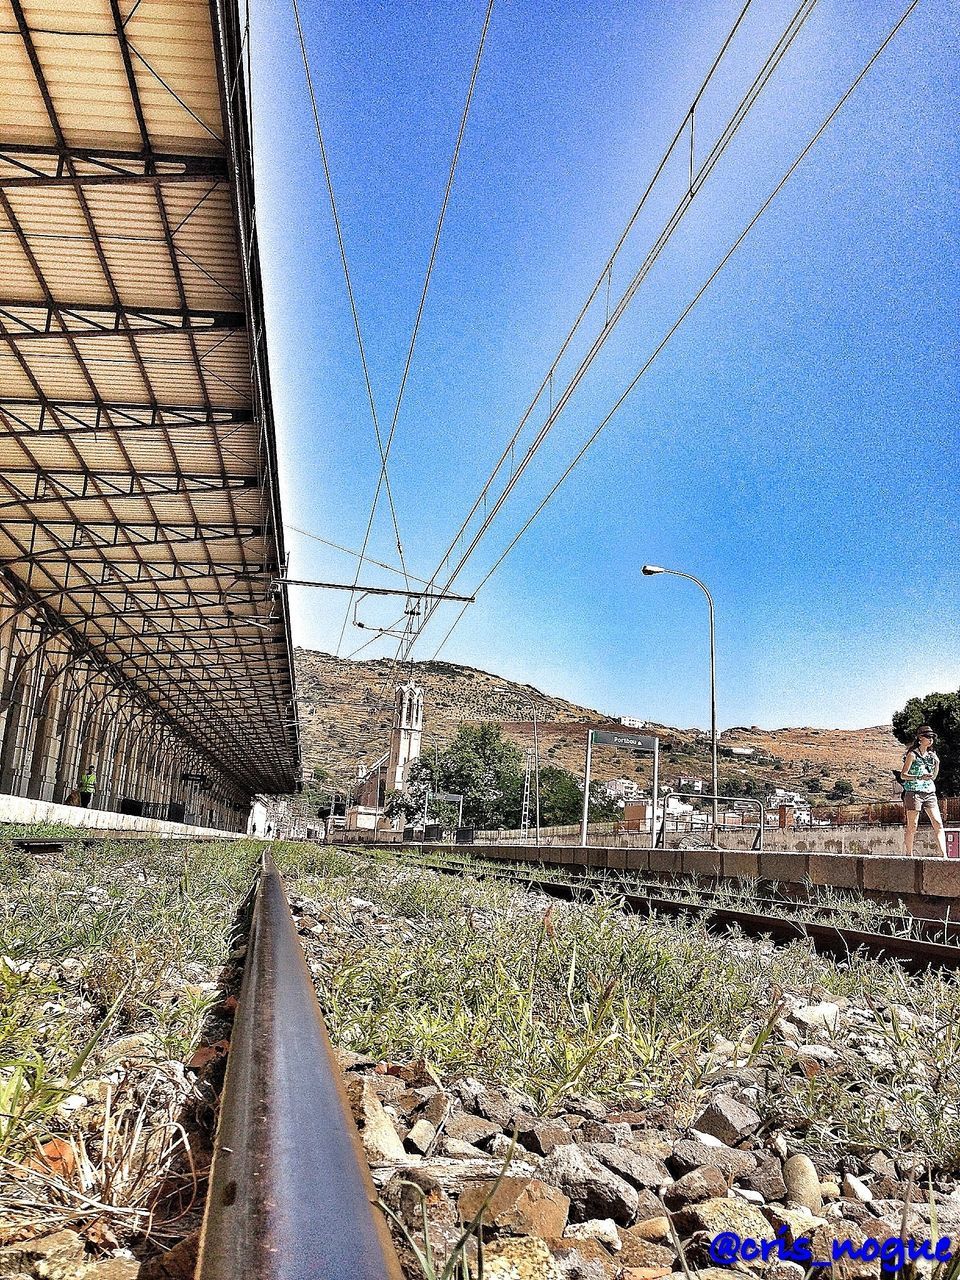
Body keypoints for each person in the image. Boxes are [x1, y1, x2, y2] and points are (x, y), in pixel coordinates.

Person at [901, 726, 946, 857]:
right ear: (920, 738)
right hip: (914, 792)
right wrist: (918, 777)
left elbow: (933, 777)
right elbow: (903, 775)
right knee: (913, 825)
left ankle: (944, 856)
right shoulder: (912, 755)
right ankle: (909, 855)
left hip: (930, 792)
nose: (931, 739)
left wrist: (937, 764)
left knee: (938, 823)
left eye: (932, 737)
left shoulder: (931, 755)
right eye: (928, 736)